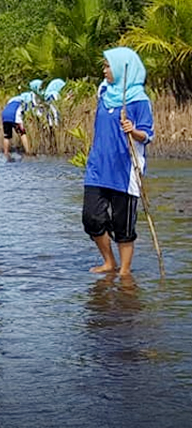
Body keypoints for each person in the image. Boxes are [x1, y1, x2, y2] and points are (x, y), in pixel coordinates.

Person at [83, 47, 154, 276]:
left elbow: (147, 134)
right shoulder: (104, 92)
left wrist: (133, 131)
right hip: (98, 166)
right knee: (91, 218)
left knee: (123, 225)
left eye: (108, 66)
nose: (104, 71)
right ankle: (108, 261)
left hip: (125, 169)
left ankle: (124, 272)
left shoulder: (138, 100)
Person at [1, 92, 33, 159]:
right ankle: (28, 152)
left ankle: (6, 153)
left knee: (7, 136)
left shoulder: (13, 99)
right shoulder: (24, 101)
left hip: (4, 115)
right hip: (14, 115)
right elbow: (24, 113)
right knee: (22, 133)